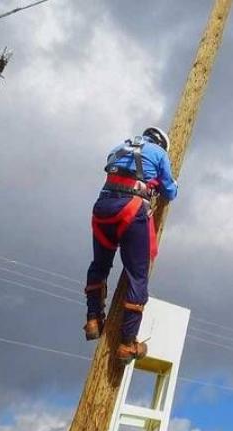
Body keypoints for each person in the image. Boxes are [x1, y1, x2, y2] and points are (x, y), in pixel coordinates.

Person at [83, 127, 178, 362]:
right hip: (130, 209)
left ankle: (93, 319)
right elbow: (169, 191)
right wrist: (172, 185)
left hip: (102, 208)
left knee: (100, 265)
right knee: (138, 275)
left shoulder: (118, 147)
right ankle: (127, 343)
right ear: (162, 143)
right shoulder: (159, 153)